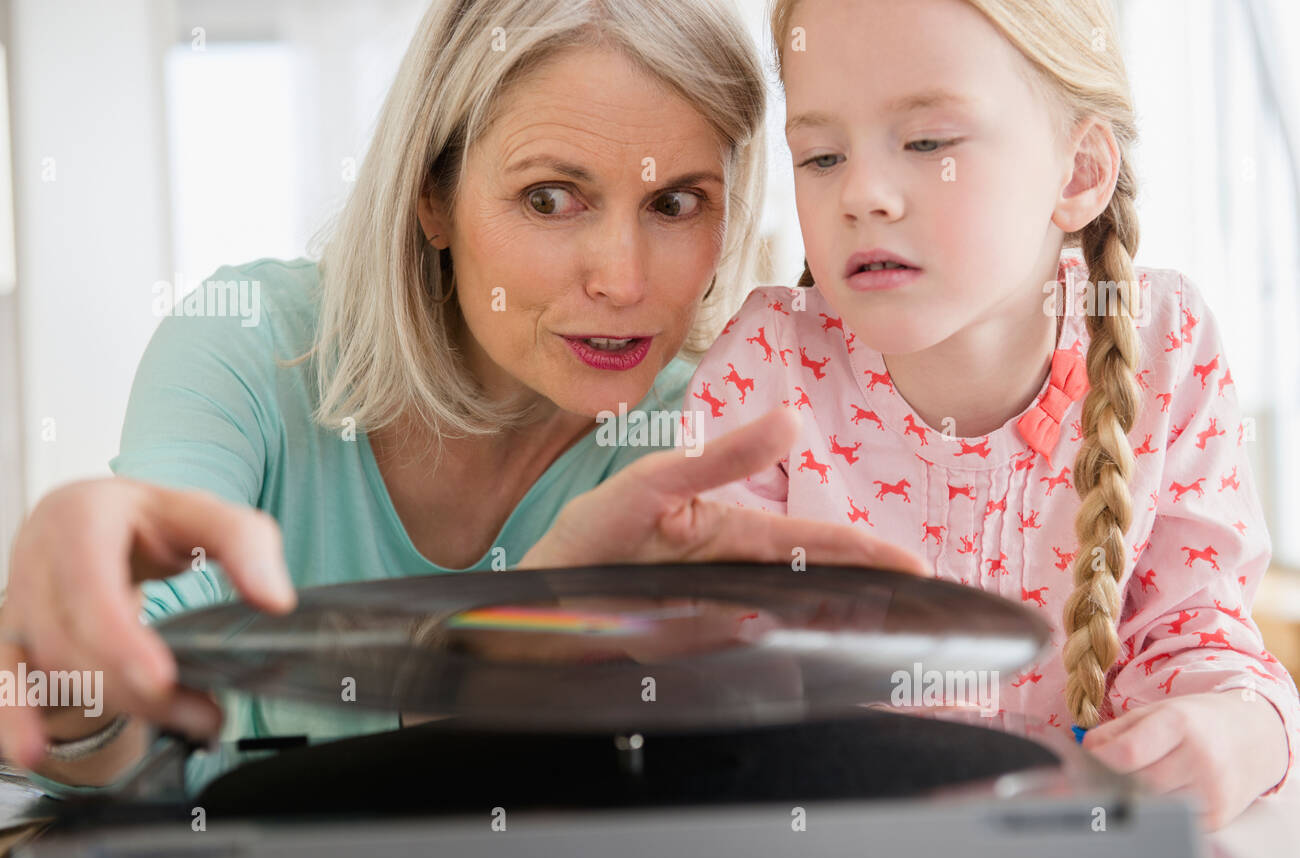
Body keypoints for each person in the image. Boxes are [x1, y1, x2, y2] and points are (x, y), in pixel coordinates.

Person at [0, 0, 926, 797]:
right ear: (433, 194)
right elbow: (111, 736)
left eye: (676, 204)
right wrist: (62, 652)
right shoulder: (253, 348)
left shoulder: (702, 439)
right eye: (551, 198)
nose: (623, 278)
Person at [681, 0, 1298, 830]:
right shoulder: (764, 368)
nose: (861, 193)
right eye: (821, 155)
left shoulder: (1167, 343)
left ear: (1078, 172)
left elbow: (1200, 637)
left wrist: (1242, 731)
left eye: (929, 142)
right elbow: (708, 678)